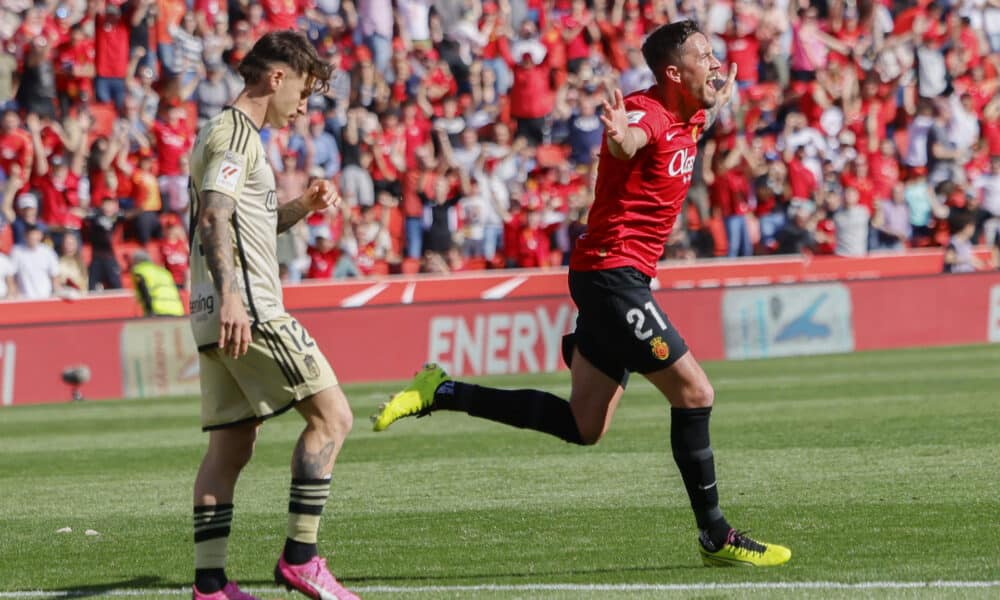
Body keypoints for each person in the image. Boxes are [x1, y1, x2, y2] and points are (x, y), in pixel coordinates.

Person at [372, 20, 791, 568]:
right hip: (611, 276)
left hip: (614, 277)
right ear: (672, 72)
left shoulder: (689, 112)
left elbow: (688, 126)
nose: (716, 64)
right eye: (705, 56)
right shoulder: (645, 115)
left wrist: (713, 102)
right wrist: (619, 137)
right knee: (695, 395)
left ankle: (442, 392)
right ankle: (716, 534)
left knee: (583, 426)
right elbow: (631, 138)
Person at [186, 31, 358, 600]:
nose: (306, 106)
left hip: (211, 311)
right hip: (248, 307)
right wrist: (235, 296)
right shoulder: (236, 135)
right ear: (276, 78)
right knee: (332, 417)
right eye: (305, 91)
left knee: (230, 446)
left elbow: (241, 223)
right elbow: (214, 217)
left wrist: (300, 208)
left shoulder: (228, 135)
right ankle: (301, 559)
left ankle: (210, 586)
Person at [130, 250, 184, 316]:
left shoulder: (139, 271)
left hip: (158, 310)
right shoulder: (164, 272)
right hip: (177, 310)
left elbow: (144, 291)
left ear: (136, 261)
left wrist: (149, 311)